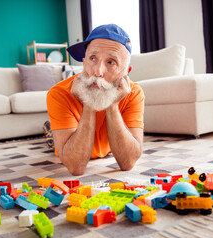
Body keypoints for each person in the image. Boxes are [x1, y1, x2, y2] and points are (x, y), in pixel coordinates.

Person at [46, 24, 145, 175]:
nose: (98, 72)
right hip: (67, 140)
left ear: (126, 72)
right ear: (84, 62)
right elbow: (75, 167)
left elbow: (128, 162)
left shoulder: (134, 93)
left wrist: (113, 104)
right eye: (93, 58)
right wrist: (88, 101)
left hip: (106, 145)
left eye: (111, 62)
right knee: (52, 139)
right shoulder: (59, 93)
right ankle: (49, 129)